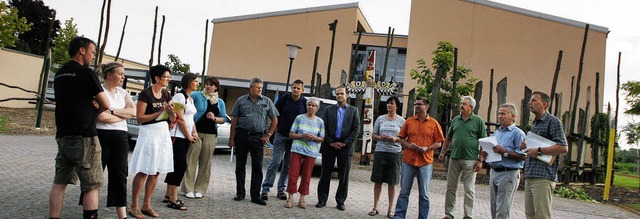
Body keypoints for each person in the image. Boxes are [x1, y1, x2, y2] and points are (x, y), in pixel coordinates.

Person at [49, 36, 110, 219]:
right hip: (84, 136)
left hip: (63, 135)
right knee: (92, 184)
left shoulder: (59, 74)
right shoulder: (86, 73)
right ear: (81, 50)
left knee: (59, 181)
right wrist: (96, 105)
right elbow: (105, 103)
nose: (92, 57)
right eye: (91, 52)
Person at [128, 65, 175, 218]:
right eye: (166, 77)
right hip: (148, 133)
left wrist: (172, 113)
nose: (168, 79)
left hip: (162, 132)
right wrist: (159, 112)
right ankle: (134, 206)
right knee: (143, 169)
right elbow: (140, 118)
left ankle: (146, 204)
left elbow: (172, 118)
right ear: (157, 78)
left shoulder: (166, 94)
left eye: (169, 77)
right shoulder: (145, 94)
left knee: (155, 170)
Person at [229, 77, 279, 206]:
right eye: (257, 87)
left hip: (258, 138)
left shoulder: (267, 101)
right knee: (240, 165)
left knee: (257, 167)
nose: (259, 90)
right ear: (250, 88)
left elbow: (275, 119)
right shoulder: (241, 100)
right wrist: (231, 138)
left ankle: (255, 195)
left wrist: (268, 135)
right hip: (242, 135)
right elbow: (234, 120)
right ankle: (240, 193)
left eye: (261, 88)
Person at [95, 62, 136, 219]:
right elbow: (100, 117)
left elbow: (133, 112)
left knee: (119, 175)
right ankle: (91, 210)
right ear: (109, 75)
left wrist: (111, 110)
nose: (122, 77)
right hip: (101, 136)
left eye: (123, 74)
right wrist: (121, 115)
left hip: (120, 138)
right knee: (96, 174)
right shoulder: (99, 91)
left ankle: (122, 215)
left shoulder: (123, 93)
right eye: (120, 74)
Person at [393, 96, 445, 219]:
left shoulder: (434, 123)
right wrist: (409, 145)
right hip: (409, 161)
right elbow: (401, 138)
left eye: (419, 104)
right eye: (416, 104)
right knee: (404, 191)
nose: (416, 106)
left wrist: (427, 148)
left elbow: (439, 142)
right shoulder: (409, 121)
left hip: (425, 162)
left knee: (424, 194)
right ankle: (399, 216)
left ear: (426, 106)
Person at [520, 91, 568, 219]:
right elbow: (533, 147)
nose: (530, 103)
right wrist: (525, 146)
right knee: (530, 215)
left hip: (543, 176)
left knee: (542, 215)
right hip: (531, 174)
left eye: (534, 100)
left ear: (545, 104)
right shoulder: (535, 124)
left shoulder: (553, 122)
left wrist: (539, 150)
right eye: (530, 101)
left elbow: (563, 147)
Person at [439, 96, 488, 219]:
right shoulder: (456, 120)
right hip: (454, 158)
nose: (461, 106)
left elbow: (484, 141)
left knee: (469, 189)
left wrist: (480, 160)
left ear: (471, 107)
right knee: (451, 187)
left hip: (470, 160)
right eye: (461, 103)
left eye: (464, 104)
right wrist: (442, 152)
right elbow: (448, 138)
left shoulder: (478, 121)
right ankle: (448, 214)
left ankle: (468, 215)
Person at [316, 85, 360, 211]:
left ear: (347, 95)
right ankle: (322, 199)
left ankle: (340, 201)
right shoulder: (329, 110)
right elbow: (323, 127)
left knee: (344, 176)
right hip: (329, 146)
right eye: (337, 94)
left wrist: (345, 143)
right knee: (325, 174)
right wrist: (330, 142)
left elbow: (356, 129)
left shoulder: (353, 111)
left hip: (346, 147)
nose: (339, 96)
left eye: (341, 93)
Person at [261, 79, 307, 201]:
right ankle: (265, 189)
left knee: (287, 165)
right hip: (281, 135)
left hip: (295, 139)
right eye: (294, 87)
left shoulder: (304, 103)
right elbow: (274, 115)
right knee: (275, 162)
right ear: (291, 88)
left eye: (298, 88)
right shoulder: (284, 99)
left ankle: (281, 189)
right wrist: (273, 131)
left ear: (302, 90)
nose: (295, 90)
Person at [182, 76, 227, 199]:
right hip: (196, 132)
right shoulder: (197, 95)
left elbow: (223, 119)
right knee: (191, 160)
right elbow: (187, 106)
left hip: (211, 135)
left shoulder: (220, 102)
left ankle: (200, 188)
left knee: (205, 163)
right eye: (207, 84)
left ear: (216, 87)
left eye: (211, 85)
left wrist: (214, 118)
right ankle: (188, 188)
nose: (208, 86)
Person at [480, 103, 527, 219]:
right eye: (499, 113)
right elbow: (495, 150)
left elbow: (523, 156)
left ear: (513, 116)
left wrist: (505, 152)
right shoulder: (497, 132)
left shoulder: (518, 133)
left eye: (503, 114)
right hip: (494, 171)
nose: (500, 116)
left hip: (508, 172)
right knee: (494, 207)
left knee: (502, 209)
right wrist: (486, 154)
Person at [164, 73, 200, 211]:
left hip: (185, 137)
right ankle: (173, 198)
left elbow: (190, 118)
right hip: (177, 136)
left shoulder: (190, 98)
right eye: (195, 81)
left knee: (176, 165)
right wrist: (188, 136)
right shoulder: (180, 96)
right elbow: (180, 119)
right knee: (180, 166)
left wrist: (194, 132)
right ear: (188, 82)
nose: (197, 83)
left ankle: (168, 194)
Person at [368, 96, 405, 217]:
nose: (389, 105)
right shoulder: (380, 119)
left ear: (397, 106)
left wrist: (396, 139)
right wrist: (380, 137)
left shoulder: (401, 121)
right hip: (380, 152)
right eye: (388, 103)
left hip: (394, 154)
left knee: (392, 182)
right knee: (377, 181)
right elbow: (373, 135)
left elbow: (405, 138)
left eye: (392, 103)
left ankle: (390, 209)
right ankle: (375, 207)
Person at [285, 97, 325, 209]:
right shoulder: (299, 118)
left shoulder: (320, 122)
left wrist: (314, 138)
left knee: (306, 176)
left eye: (313, 105)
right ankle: (290, 198)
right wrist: (302, 136)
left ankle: (302, 199)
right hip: (297, 149)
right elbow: (291, 134)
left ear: (317, 108)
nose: (311, 107)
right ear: (306, 106)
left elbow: (322, 138)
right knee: (293, 174)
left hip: (311, 151)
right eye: (309, 105)